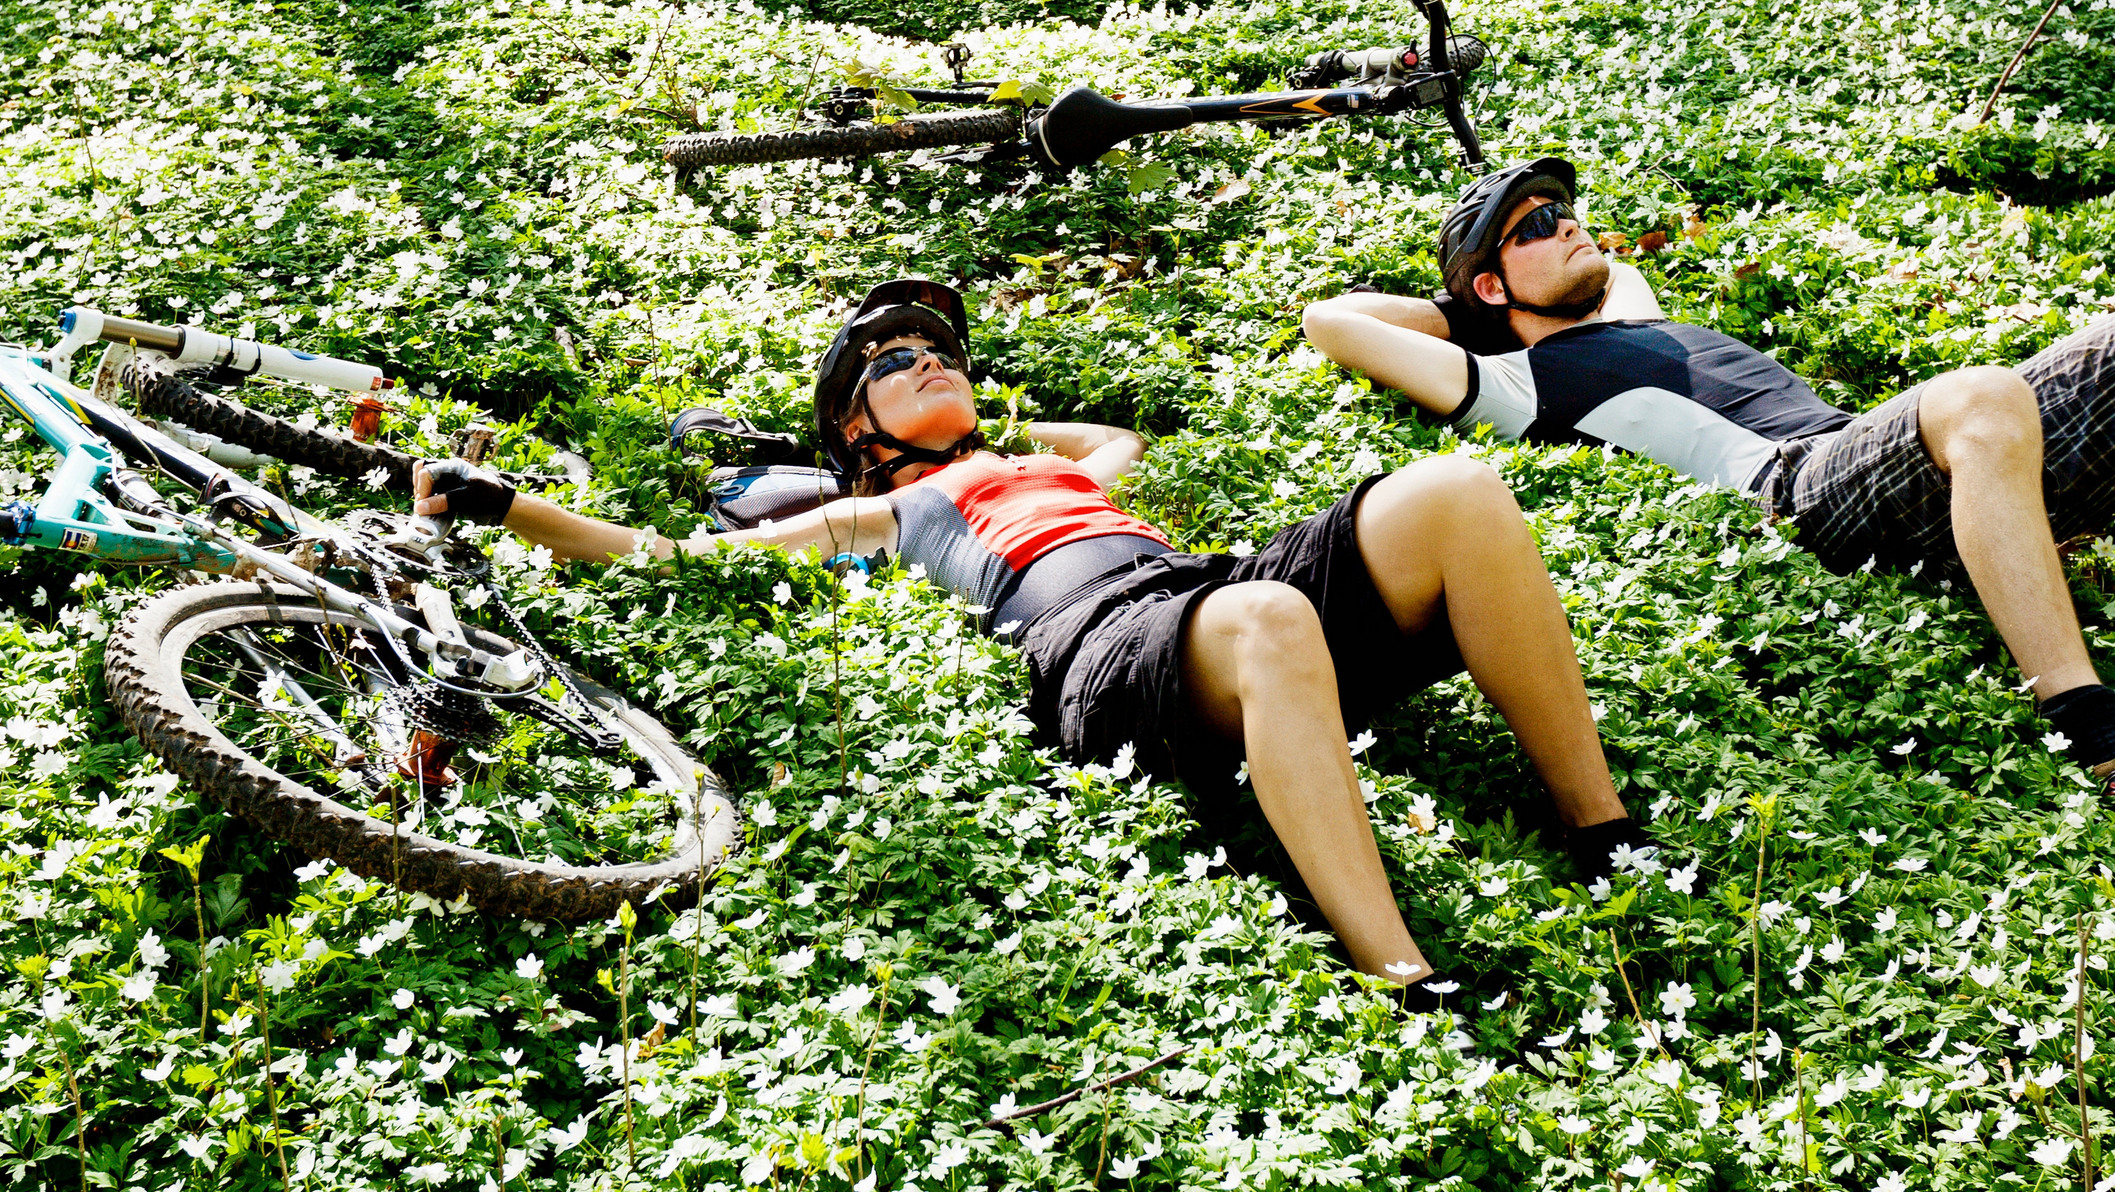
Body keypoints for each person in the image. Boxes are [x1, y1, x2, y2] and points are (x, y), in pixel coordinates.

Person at [415, 278, 1652, 1004]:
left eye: (939, 353)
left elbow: (1113, 445)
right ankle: (1402, 978)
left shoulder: (1031, 466)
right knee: (1270, 618)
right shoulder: (884, 511)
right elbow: (665, 556)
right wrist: (505, 506)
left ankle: (1604, 834)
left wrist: (993, 427)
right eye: (892, 364)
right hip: (1094, 646)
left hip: (1199, 596)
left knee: (1457, 492)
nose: (927, 362)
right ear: (852, 431)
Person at [1303, 158, 2115, 851]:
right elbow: (1333, 319)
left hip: (1926, 466)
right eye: (1533, 229)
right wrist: (1474, 309)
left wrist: (1529, 260)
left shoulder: (1635, 313)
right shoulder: (1515, 382)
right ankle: (2103, 743)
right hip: (1802, 500)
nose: (1568, 224)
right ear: (1491, 285)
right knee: (1978, 396)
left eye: (1567, 208)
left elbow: (1599, 272)